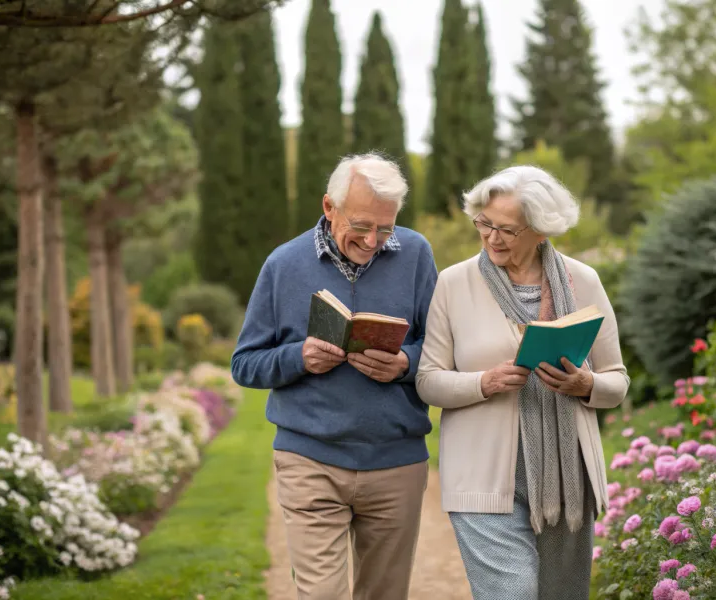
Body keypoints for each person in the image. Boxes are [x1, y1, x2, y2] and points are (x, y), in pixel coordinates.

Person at [415, 165, 629, 600]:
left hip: (567, 482)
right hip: (482, 476)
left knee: (559, 594)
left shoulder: (583, 281)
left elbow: (618, 381)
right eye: (484, 224)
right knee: (511, 592)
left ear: (540, 230)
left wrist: (585, 384)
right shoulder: (453, 283)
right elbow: (428, 381)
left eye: (507, 230)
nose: (492, 237)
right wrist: (485, 382)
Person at [231, 153, 437, 600]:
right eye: (361, 226)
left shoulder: (417, 254)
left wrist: (404, 365)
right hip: (310, 460)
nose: (373, 241)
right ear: (329, 207)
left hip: (396, 461)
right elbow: (245, 364)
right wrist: (299, 357)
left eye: (386, 228)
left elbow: (443, 351)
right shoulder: (283, 264)